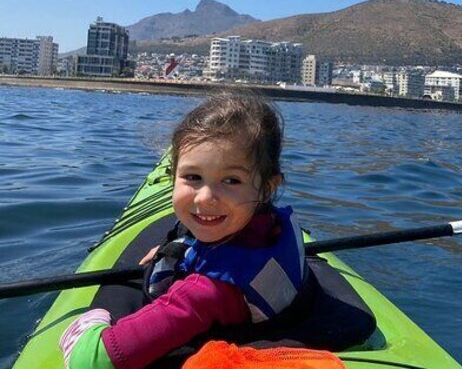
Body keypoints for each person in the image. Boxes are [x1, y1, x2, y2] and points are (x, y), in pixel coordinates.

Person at [60, 89, 307, 369]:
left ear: (267, 188)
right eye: (193, 177)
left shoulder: (205, 293)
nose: (204, 197)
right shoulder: (268, 224)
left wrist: (91, 321)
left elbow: (90, 361)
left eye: (232, 180)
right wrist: (183, 251)